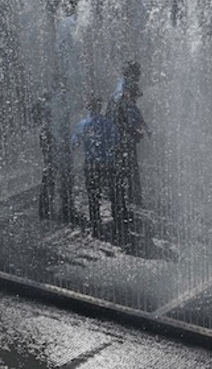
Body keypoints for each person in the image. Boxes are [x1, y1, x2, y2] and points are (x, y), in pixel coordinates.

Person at [109, 61, 149, 235]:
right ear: (131, 74)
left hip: (124, 136)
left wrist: (143, 125)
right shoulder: (123, 88)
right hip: (120, 137)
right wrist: (132, 130)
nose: (139, 77)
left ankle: (129, 202)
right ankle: (121, 209)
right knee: (123, 170)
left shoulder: (127, 87)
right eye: (137, 73)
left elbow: (133, 109)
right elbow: (120, 111)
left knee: (129, 168)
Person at [71, 95, 118, 239]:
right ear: (100, 107)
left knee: (93, 196)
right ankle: (118, 222)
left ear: (88, 107)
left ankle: (96, 226)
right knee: (113, 192)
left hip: (91, 164)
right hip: (107, 163)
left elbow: (74, 144)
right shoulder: (108, 123)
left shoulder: (82, 125)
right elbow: (116, 141)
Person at [32, 87, 73, 223]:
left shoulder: (44, 106)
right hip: (53, 142)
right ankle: (54, 209)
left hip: (49, 141)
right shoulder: (52, 106)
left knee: (50, 173)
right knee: (54, 173)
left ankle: (46, 209)